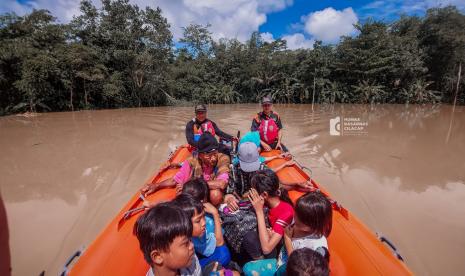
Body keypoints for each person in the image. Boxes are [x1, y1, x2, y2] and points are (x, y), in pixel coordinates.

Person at [141, 132, 230, 206]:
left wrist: (190, 186)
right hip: (198, 193)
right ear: (200, 155)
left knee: (216, 195)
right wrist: (157, 185)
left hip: (209, 193)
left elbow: (222, 184)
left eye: (215, 153)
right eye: (209, 155)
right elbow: (175, 180)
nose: (213, 158)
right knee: (180, 192)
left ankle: (214, 211)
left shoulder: (223, 159)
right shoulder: (192, 161)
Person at [241, 169, 294, 270]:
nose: (251, 193)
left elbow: (267, 248)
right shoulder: (266, 202)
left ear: (264, 195)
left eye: (253, 190)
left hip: (276, 250)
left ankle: (262, 264)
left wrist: (259, 211)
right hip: (269, 238)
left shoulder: (286, 211)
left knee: (250, 238)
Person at [133, 202, 201, 276]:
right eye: (185, 243)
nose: (192, 245)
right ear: (158, 256)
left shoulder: (190, 261)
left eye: (190, 240)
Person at [275, 191, 332, 275]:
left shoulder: (317, 246)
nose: (295, 219)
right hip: (280, 262)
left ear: (313, 224)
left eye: (299, 220)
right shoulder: (299, 219)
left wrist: (287, 240)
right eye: (296, 214)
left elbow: (298, 266)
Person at [172, 194, 232, 269]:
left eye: (203, 217)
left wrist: (215, 213)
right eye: (198, 221)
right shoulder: (179, 243)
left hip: (198, 262)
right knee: (223, 255)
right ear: (184, 223)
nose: (204, 223)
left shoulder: (198, 233)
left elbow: (219, 243)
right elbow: (220, 244)